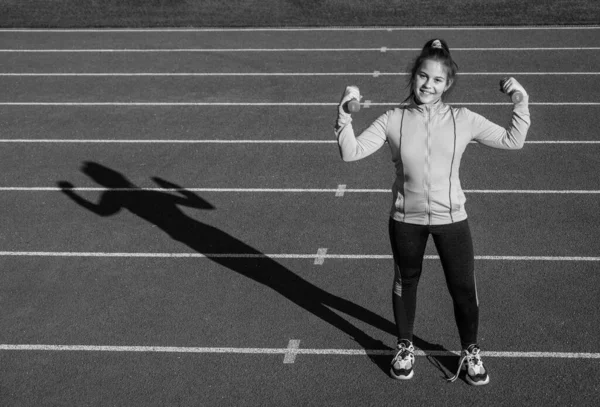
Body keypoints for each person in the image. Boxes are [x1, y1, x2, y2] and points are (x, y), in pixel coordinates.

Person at [334, 38, 530, 386]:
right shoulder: (393, 119)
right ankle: (405, 346)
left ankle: (470, 351)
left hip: (452, 220)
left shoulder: (463, 119)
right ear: (414, 76)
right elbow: (351, 152)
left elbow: (514, 140)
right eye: (424, 76)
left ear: (448, 84)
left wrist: (521, 100)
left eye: (438, 80)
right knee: (405, 282)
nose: (429, 85)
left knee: (463, 289)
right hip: (405, 220)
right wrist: (344, 114)